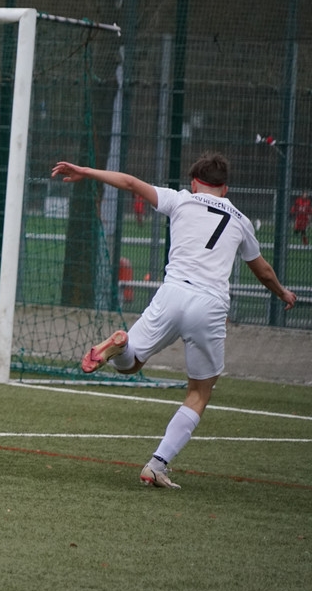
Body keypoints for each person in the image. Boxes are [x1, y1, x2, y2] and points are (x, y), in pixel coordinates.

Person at [52, 153, 296, 489]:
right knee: (199, 392)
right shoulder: (240, 220)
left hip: (172, 293)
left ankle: (120, 346)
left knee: (130, 364)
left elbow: (130, 183)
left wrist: (85, 171)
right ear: (225, 189)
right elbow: (263, 270)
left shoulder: (180, 200)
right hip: (209, 305)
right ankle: (156, 464)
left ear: (194, 183)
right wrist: (282, 292)